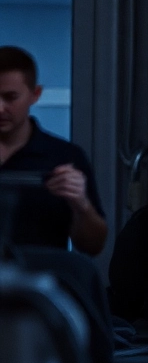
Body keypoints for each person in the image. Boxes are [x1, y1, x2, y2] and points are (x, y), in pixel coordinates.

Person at [0, 46, 107, 255]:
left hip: (41, 281)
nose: (0, 108)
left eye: (10, 97)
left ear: (35, 94)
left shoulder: (64, 157)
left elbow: (93, 246)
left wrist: (81, 204)